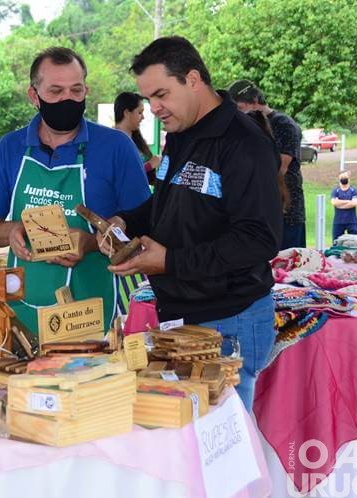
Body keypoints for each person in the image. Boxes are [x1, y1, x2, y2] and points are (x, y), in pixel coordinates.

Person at [105, 37, 282, 411]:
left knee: (225, 445)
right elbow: (166, 203)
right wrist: (127, 220)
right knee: (192, 439)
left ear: (193, 79)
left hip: (230, 317)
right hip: (182, 314)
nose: (153, 108)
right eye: (148, 99)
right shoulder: (181, 135)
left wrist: (171, 261)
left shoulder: (242, 144)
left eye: (161, 94)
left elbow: (259, 239)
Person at [0, 47, 150, 333]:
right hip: (24, 312)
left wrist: (91, 243)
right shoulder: (11, 147)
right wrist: (13, 231)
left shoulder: (116, 147)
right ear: (34, 96)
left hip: (94, 312)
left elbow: (144, 224)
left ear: (86, 90)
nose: (66, 99)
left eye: (75, 90)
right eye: (56, 91)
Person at [229, 79, 306, 250]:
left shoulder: (284, 125)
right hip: (257, 214)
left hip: (287, 213)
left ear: (255, 101)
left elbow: (280, 169)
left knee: (288, 270)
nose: (238, 115)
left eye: (240, 108)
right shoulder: (243, 128)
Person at [114, 92, 160, 184]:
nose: (143, 117)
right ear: (127, 113)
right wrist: (149, 165)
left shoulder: (137, 140)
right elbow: (120, 175)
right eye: (139, 112)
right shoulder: (112, 141)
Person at [331, 170, 357, 241]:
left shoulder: (353, 190)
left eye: (345, 177)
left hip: (352, 221)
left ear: (349, 178)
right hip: (338, 221)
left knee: (355, 242)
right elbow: (334, 203)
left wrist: (340, 203)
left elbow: (354, 203)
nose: (344, 179)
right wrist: (348, 201)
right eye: (342, 177)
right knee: (336, 242)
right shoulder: (336, 191)